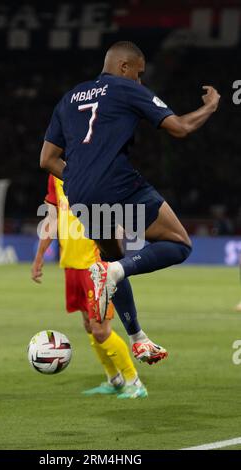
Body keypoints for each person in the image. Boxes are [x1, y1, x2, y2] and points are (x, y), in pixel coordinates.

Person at [39, 41, 220, 364]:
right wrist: (210, 107)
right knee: (179, 243)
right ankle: (117, 272)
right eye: (139, 74)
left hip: (78, 192)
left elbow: (47, 160)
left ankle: (138, 338)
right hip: (118, 184)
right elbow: (179, 128)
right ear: (124, 68)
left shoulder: (69, 98)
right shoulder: (125, 88)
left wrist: (82, 178)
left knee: (111, 260)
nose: (140, 81)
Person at [31, 174, 147, 398]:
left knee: (101, 330)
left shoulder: (94, 167)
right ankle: (114, 380)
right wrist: (39, 256)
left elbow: (117, 208)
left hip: (95, 264)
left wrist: (115, 248)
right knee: (89, 326)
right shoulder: (55, 176)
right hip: (71, 265)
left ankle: (135, 382)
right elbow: (52, 218)